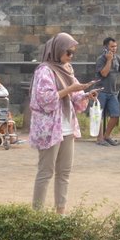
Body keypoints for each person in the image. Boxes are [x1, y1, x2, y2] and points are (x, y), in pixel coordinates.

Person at [29, 32, 97, 212]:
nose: (71, 56)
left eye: (73, 53)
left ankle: (60, 212)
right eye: (68, 52)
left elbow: (74, 96)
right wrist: (69, 89)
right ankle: (37, 215)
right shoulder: (45, 70)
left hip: (67, 127)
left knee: (64, 172)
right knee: (45, 172)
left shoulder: (67, 69)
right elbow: (44, 99)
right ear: (57, 49)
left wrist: (85, 94)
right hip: (50, 128)